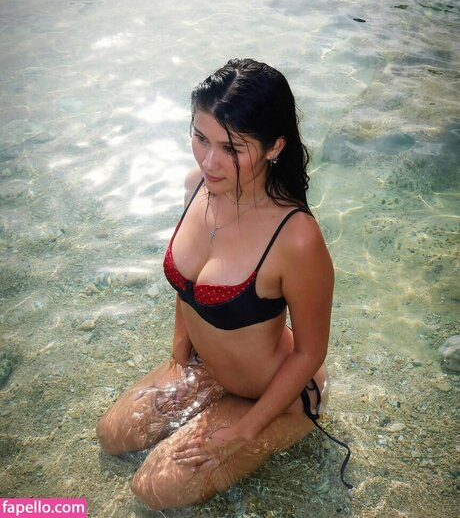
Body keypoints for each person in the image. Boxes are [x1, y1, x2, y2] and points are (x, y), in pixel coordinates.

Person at [96, 58, 348, 509]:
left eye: (231, 148)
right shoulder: (197, 186)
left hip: (273, 393)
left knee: (155, 488)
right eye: (200, 138)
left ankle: (280, 426)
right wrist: (179, 359)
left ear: (274, 147)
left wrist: (241, 433)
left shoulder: (295, 237)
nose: (210, 161)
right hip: (207, 368)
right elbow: (188, 286)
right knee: (113, 435)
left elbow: (310, 352)